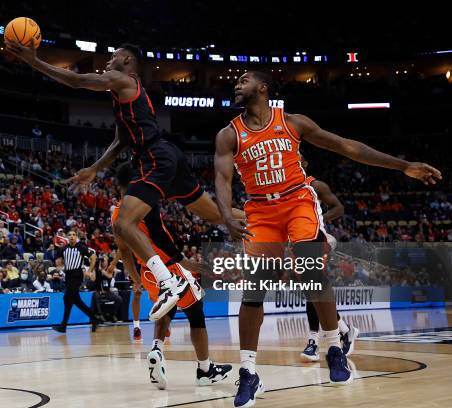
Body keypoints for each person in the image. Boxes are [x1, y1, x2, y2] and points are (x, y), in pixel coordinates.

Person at [213, 71, 441, 407]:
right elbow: (221, 178)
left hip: (297, 201)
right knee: (254, 290)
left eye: (244, 80)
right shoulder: (228, 134)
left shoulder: (292, 123)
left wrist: (403, 165)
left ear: (262, 88)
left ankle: (334, 346)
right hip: (260, 210)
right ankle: (248, 372)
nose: (236, 83)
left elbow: (347, 147)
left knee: (311, 271)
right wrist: (224, 215)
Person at [6, 41, 247, 321]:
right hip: (166, 155)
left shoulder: (121, 79)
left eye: (114, 56)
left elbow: (76, 80)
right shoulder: (123, 94)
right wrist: (94, 168)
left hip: (155, 156)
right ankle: (266, 216)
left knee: (123, 223)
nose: (109, 60)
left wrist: (34, 61)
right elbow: (121, 140)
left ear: (128, 60)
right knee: (218, 216)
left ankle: (168, 283)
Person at [112, 162, 232, 388]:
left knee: (169, 307)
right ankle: (205, 370)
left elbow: (124, 253)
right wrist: (184, 261)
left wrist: (137, 281)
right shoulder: (143, 200)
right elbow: (158, 235)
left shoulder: (116, 215)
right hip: (169, 266)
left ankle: (157, 348)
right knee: (196, 314)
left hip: (147, 272)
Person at [298, 154, 359, 361]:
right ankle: (344, 330)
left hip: (317, 239)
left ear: (305, 163)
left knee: (312, 289)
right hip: (296, 243)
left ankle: (313, 342)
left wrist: (318, 218)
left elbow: (339, 208)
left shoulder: (314, 184)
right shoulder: (283, 189)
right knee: (311, 292)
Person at [52, 230, 100, 333]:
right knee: (73, 300)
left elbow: (93, 257)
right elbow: (58, 261)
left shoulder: (81, 247)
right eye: (69, 235)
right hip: (68, 275)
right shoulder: (64, 248)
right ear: (67, 237)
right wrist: (59, 265)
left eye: (74, 235)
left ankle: (63, 325)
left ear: (76, 237)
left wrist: (89, 271)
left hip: (77, 275)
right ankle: (94, 318)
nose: (72, 236)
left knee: (67, 297)